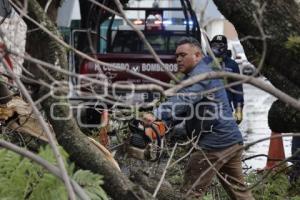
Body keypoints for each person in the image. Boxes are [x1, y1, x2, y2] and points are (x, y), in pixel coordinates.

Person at [143, 37, 254, 199]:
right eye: (177, 56)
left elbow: (185, 99)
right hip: (231, 141)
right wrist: (163, 124)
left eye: (183, 55)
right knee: (241, 194)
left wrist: (156, 115)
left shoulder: (202, 75)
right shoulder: (198, 74)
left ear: (197, 55)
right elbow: (183, 108)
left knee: (190, 193)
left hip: (214, 144)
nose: (179, 59)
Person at [210, 35, 244, 124]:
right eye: (214, 45)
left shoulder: (232, 65)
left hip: (225, 109)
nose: (217, 47)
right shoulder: (205, 62)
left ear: (225, 47)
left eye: (220, 45)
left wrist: (239, 110)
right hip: (205, 109)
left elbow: (237, 89)